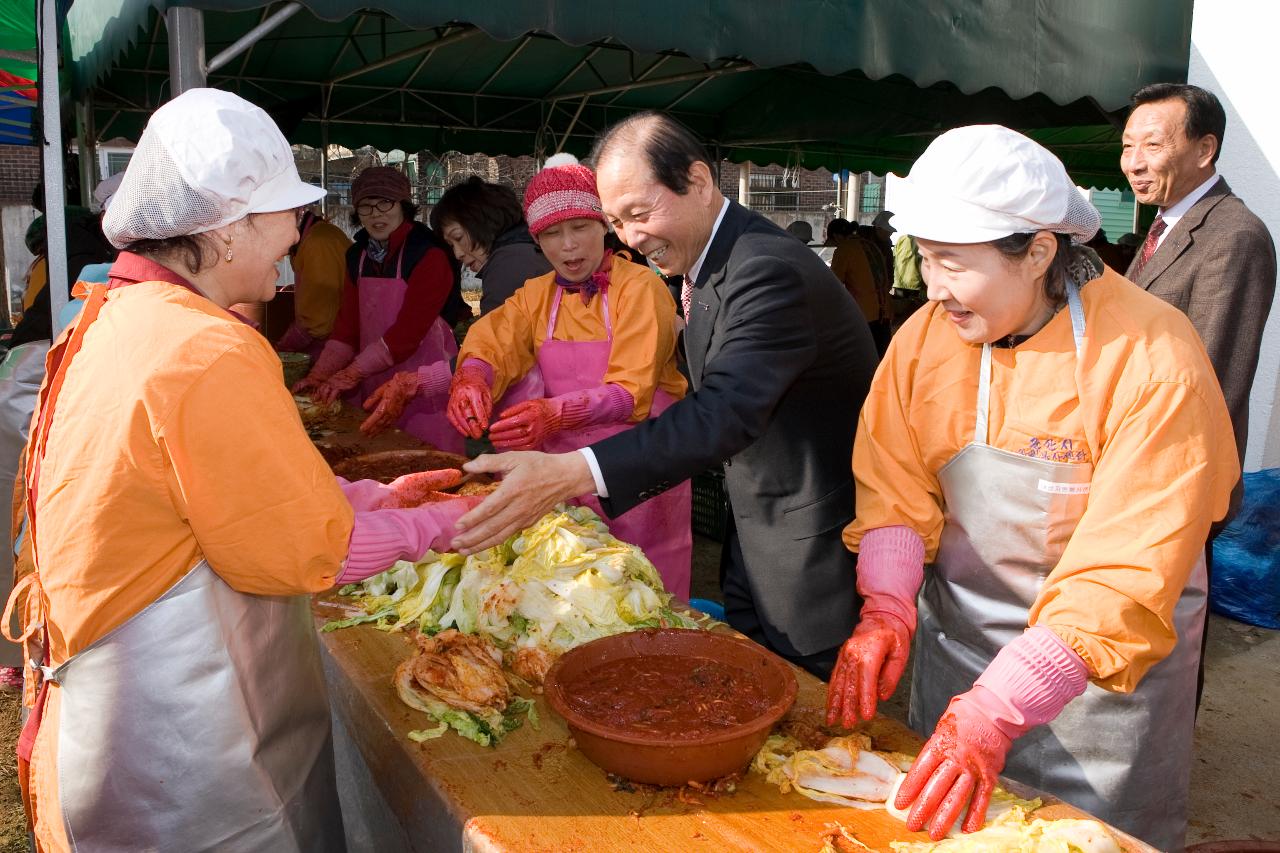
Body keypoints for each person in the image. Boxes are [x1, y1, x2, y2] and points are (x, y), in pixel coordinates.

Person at [2, 89, 474, 852]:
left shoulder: (116, 314)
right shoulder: (204, 348)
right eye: (285, 221)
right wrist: (439, 525)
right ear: (226, 230)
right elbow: (305, 547)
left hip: (119, 731)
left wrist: (373, 492)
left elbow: (222, 495)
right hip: (183, 759)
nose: (294, 247)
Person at [825, 125, 1237, 848]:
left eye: (953, 263)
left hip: (1105, 696)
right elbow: (894, 482)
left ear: (1040, 251)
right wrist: (888, 605)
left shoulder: (1155, 356)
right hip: (961, 665)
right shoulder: (925, 340)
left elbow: (1126, 570)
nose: (934, 286)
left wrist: (1001, 706)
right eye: (925, 258)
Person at [451, 112, 878, 678]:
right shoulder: (709, 265)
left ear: (698, 183)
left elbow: (723, 411)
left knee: (803, 697)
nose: (631, 237)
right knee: (751, 673)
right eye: (617, 220)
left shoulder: (765, 269)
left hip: (806, 540)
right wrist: (475, 373)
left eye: (639, 213)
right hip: (755, 518)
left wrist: (572, 471)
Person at [444, 155, 693, 597]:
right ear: (537, 241)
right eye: (552, 234)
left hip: (638, 471)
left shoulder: (641, 288)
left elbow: (630, 392)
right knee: (570, 589)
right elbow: (496, 337)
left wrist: (555, 413)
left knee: (642, 591)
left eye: (580, 227)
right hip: (559, 475)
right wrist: (474, 376)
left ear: (604, 226)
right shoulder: (536, 295)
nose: (569, 247)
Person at [1121, 83, 1275, 528]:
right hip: (1133, 467)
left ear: (1205, 148)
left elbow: (1213, 380)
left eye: (1152, 145)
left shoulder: (1234, 236)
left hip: (1172, 481)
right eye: (1128, 146)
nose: (1133, 162)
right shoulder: (1167, 223)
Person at [292, 166, 466, 453]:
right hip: (373, 382)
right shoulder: (357, 256)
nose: (376, 214)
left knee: (428, 462)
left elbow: (406, 334)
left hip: (423, 387)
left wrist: (352, 373)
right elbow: (347, 328)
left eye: (385, 203)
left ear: (403, 206)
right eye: (366, 206)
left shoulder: (429, 254)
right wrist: (319, 374)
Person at [430, 176, 552, 316]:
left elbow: (495, 334)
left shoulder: (508, 264)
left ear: (484, 222)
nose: (458, 254)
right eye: (451, 245)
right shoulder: (526, 251)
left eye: (459, 237)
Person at [274, 207, 353, 359]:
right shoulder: (313, 237)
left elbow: (317, 322)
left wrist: (283, 347)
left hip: (330, 348)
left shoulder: (319, 242)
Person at [831, 222, 889, 354]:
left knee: (864, 356)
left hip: (864, 313)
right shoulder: (870, 245)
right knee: (881, 357)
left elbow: (834, 282)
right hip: (884, 311)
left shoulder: (844, 249)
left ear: (836, 236)